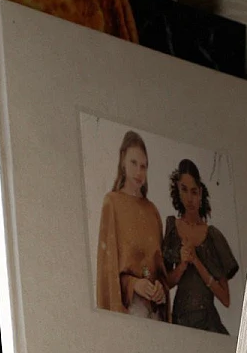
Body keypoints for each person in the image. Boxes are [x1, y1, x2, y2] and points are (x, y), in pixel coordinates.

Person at [95, 131, 168, 320]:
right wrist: (134, 284)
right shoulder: (112, 203)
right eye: (133, 163)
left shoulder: (152, 211)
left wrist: (160, 288)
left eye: (143, 166)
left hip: (154, 314)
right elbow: (108, 270)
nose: (138, 172)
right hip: (129, 311)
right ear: (123, 162)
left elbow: (161, 269)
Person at [162, 158, 238, 334]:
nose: (189, 198)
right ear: (178, 190)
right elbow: (165, 283)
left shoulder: (212, 235)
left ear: (201, 193)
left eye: (194, 192)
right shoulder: (172, 227)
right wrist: (182, 265)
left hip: (207, 322)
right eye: (184, 190)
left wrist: (196, 261)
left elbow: (225, 298)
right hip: (180, 320)